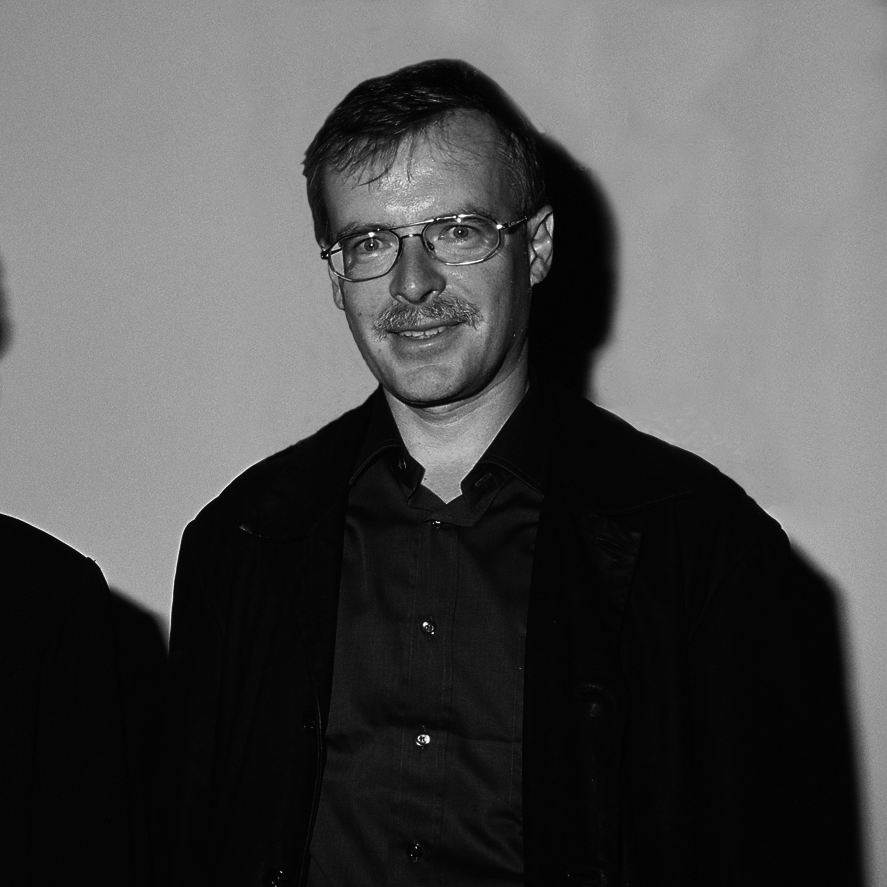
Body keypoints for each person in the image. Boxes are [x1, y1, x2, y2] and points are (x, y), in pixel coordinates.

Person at [160, 60, 860, 886]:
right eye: (371, 242)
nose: (412, 283)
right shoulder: (240, 543)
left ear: (537, 247)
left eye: (456, 231)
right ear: (336, 278)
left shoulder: (703, 548)